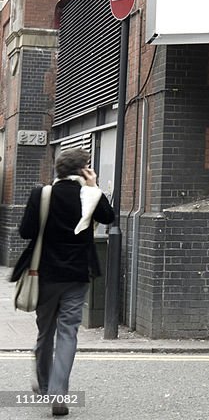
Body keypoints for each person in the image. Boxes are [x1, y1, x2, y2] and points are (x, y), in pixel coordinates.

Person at [16, 148, 115, 416]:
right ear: (84, 170)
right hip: (77, 275)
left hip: (44, 274)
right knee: (68, 332)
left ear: (58, 169)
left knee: (45, 331)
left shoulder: (42, 194)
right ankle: (59, 392)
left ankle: (46, 384)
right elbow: (109, 218)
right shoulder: (89, 196)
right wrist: (95, 187)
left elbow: (25, 231)